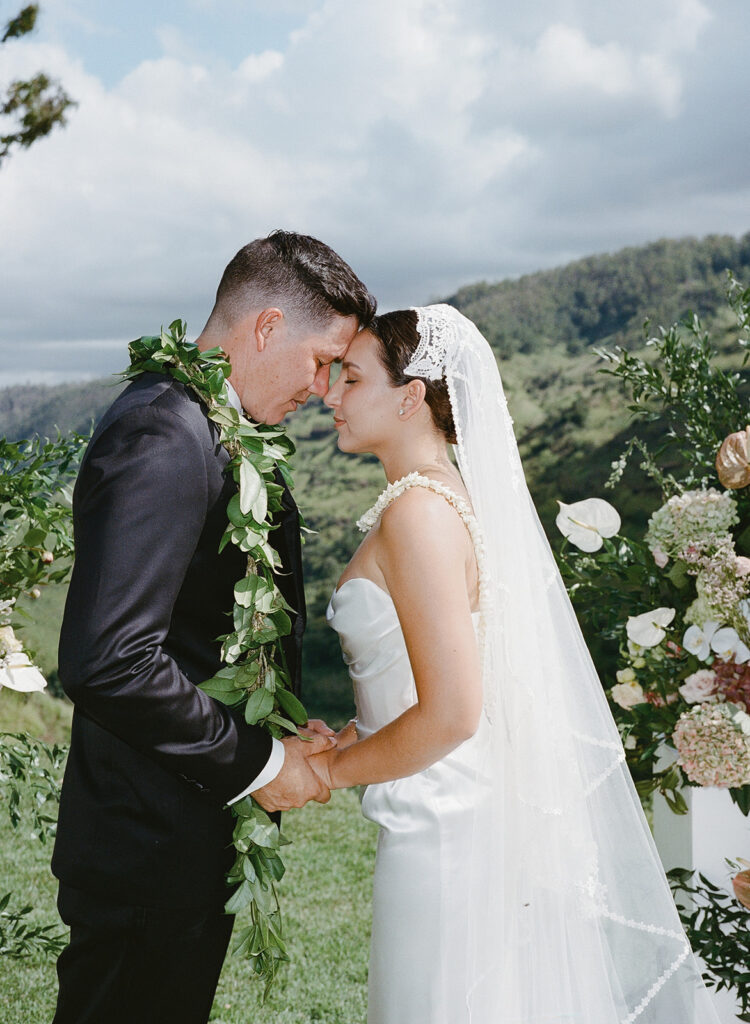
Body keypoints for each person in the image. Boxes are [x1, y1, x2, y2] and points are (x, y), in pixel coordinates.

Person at [313, 304, 723, 1024]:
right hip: (443, 811)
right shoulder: (443, 497)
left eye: (350, 378)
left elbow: (454, 712)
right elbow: (427, 677)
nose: (330, 395)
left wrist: (330, 771)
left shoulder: (418, 513)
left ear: (411, 396)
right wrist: (360, 735)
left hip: (442, 832)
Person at [50, 230, 376, 1024]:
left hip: (178, 834)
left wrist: (288, 731)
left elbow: (201, 631)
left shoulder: (211, 425)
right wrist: (261, 763)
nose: (323, 385)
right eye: (321, 359)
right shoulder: (165, 432)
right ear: (265, 328)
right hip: (143, 843)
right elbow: (110, 661)